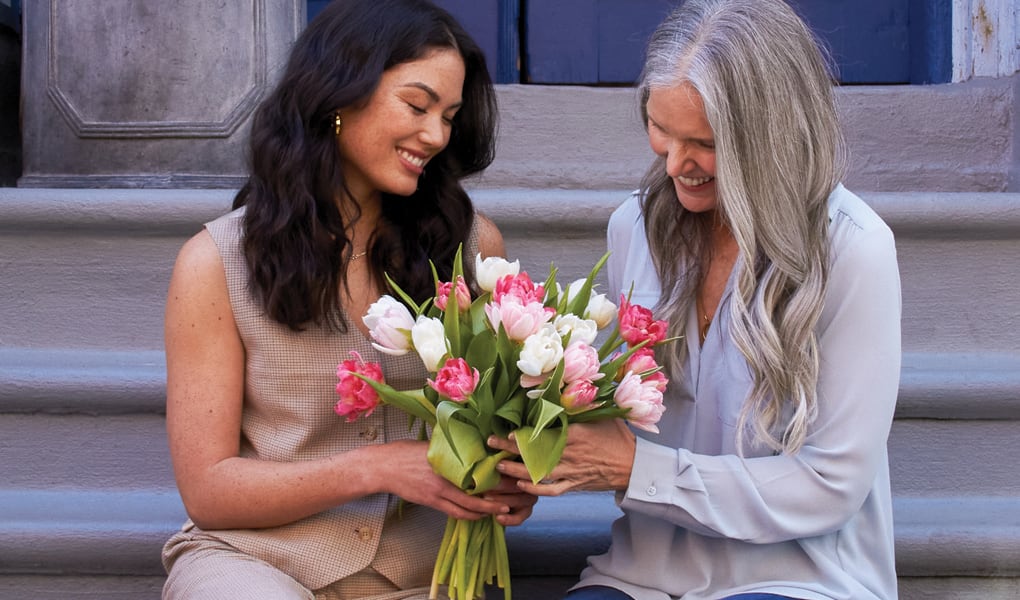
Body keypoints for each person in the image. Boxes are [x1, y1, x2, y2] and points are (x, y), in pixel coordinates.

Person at [490, 0, 902, 599]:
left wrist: (641, 472)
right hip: (644, 575)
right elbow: (631, 414)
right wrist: (532, 454)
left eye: (704, 143)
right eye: (661, 131)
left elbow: (831, 484)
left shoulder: (853, 250)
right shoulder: (635, 226)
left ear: (774, 136)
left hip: (800, 578)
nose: (677, 164)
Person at [161, 1, 535, 598]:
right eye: (417, 106)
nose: (436, 135)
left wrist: (510, 480)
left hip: (421, 575)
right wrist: (377, 467)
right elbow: (208, 490)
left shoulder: (469, 249)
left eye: (449, 116)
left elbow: (491, 430)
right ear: (337, 94)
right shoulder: (215, 263)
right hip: (254, 563)